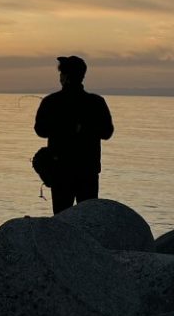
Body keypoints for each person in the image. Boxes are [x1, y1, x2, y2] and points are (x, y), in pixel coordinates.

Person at [34, 55, 114, 214]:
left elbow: (40, 130)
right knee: (88, 220)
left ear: (64, 76)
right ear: (82, 75)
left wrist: (60, 127)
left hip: (61, 172)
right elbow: (107, 132)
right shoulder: (96, 102)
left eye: (61, 74)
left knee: (62, 221)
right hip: (88, 172)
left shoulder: (51, 101)